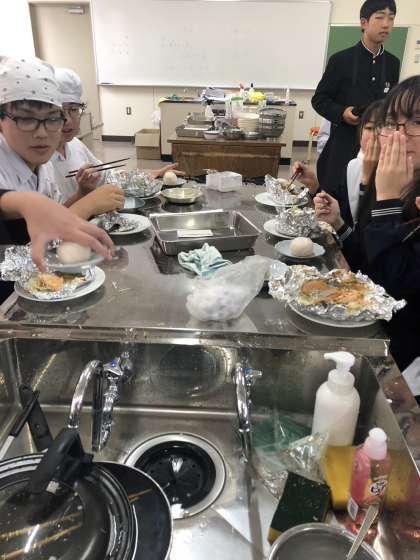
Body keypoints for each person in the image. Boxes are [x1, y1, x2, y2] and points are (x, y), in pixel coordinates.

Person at [316, 75, 420, 373]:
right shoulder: (392, 179)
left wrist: (387, 200)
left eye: (417, 122)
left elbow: (392, 289)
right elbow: (368, 267)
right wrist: (340, 224)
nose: (399, 135)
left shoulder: (390, 186)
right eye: (392, 123)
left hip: (406, 364)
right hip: (376, 336)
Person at [52, 67, 185, 202]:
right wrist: (82, 194)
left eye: (74, 109)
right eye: (59, 112)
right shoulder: (44, 162)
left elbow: (107, 175)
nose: (68, 120)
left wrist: (152, 173)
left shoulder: (74, 145)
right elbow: (54, 213)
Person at [312, 0, 399, 196]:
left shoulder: (393, 63)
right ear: (364, 22)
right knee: (334, 196)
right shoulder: (341, 60)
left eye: (391, 19)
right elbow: (319, 99)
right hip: (344, 143)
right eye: (380, 17)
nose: (386, 24)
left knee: (370, 196)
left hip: (378, 145)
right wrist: (342, 113)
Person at [295, 100, 383, 228]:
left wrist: (366, 182)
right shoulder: (353, 166)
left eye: (383, 128)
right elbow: (339, 212)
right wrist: (314, 186)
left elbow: (373, 233)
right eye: (369, 128)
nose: (374, 136)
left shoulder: (401, 178)